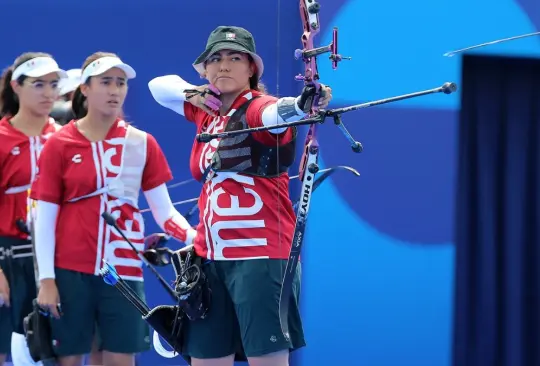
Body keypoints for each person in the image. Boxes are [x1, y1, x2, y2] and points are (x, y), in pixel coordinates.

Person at [148, 25, 333, 366]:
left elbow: (276, 114)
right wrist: (193, 94)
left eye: (235, 58)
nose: (224, 66)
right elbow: (157, 87)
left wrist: (301, 103)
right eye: (215, 59)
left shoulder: (257, 107)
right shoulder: (206, 112)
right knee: (206, 359)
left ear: (251, 69)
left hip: (260, 259)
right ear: (204, 69)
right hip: (209, 261)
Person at [30, 51, 196, 366]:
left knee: (120, 359)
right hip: (70, 272)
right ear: (85, 88)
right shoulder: (58, 144)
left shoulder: (142, 143)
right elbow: (44, 218)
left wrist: (194, 237)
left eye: (120, 83)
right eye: (105, 81)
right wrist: (47, 280)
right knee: (69, 360)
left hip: (123, 270)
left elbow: (165, 213)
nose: (114, 89)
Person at [0, 52, 68, 366]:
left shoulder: (66, 136)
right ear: (16, 86)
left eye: (53, 84)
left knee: (57, 349)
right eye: (38, 84)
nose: (48, 93)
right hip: (10, 259)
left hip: (59, 258)